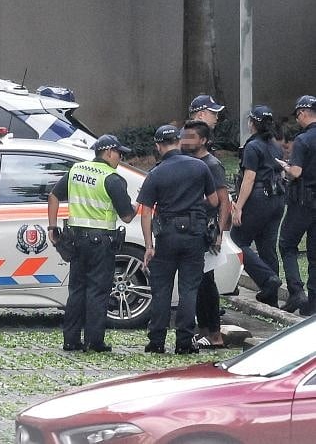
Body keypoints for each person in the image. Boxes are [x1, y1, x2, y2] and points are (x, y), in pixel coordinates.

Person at [47, 134, 137, 353]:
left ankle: (71, 341)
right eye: (119, 153)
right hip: (100, 243)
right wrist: (136, 205)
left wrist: (52, 227)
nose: (121, 158)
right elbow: (126, 217)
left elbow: (53, 196)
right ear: (108, 152)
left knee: (77, 289)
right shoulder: (112, 178)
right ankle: (94, 342)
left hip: (75, 240)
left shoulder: (77, 170)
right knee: (97, 291)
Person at [138, 125, 219, 355]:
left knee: (161, 289)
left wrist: (149, 246)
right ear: (179, 141)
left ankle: (156, 341)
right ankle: (184, 341)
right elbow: (213, 201)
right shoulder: (200, 167)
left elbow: (145, 212)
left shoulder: (156, 172)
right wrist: (195, 208)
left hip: (167, 236)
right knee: (189, 289)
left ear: (158, 146)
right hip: (194, 235)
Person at [180, 120, 235, 347]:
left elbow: (223, 202)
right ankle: (203, 330)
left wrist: (219, 233)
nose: (185, 140)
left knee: (206, 282)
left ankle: (214, 332)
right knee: (197, 281)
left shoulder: (212, 165)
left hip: (207, 229)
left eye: (191, 137)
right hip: (190, 228)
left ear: (203, 140)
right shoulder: (186, 162)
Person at [229, 106, 285, 307]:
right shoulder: (274, 145)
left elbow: (249, 179)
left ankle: (267, 279)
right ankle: (271, 296)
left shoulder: (252, 147)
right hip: (277, 198)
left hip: (259, 198)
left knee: (237, 240)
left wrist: (239, 207)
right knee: (267, 246)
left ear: (252, 123)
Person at [277, 95, 316, 315]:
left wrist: (285, 166)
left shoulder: (303, 140)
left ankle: (296, 291)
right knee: (315, 254)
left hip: (303, 201)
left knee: (287, 244)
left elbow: (296, 172)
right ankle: (313, 304)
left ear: (302, 113)